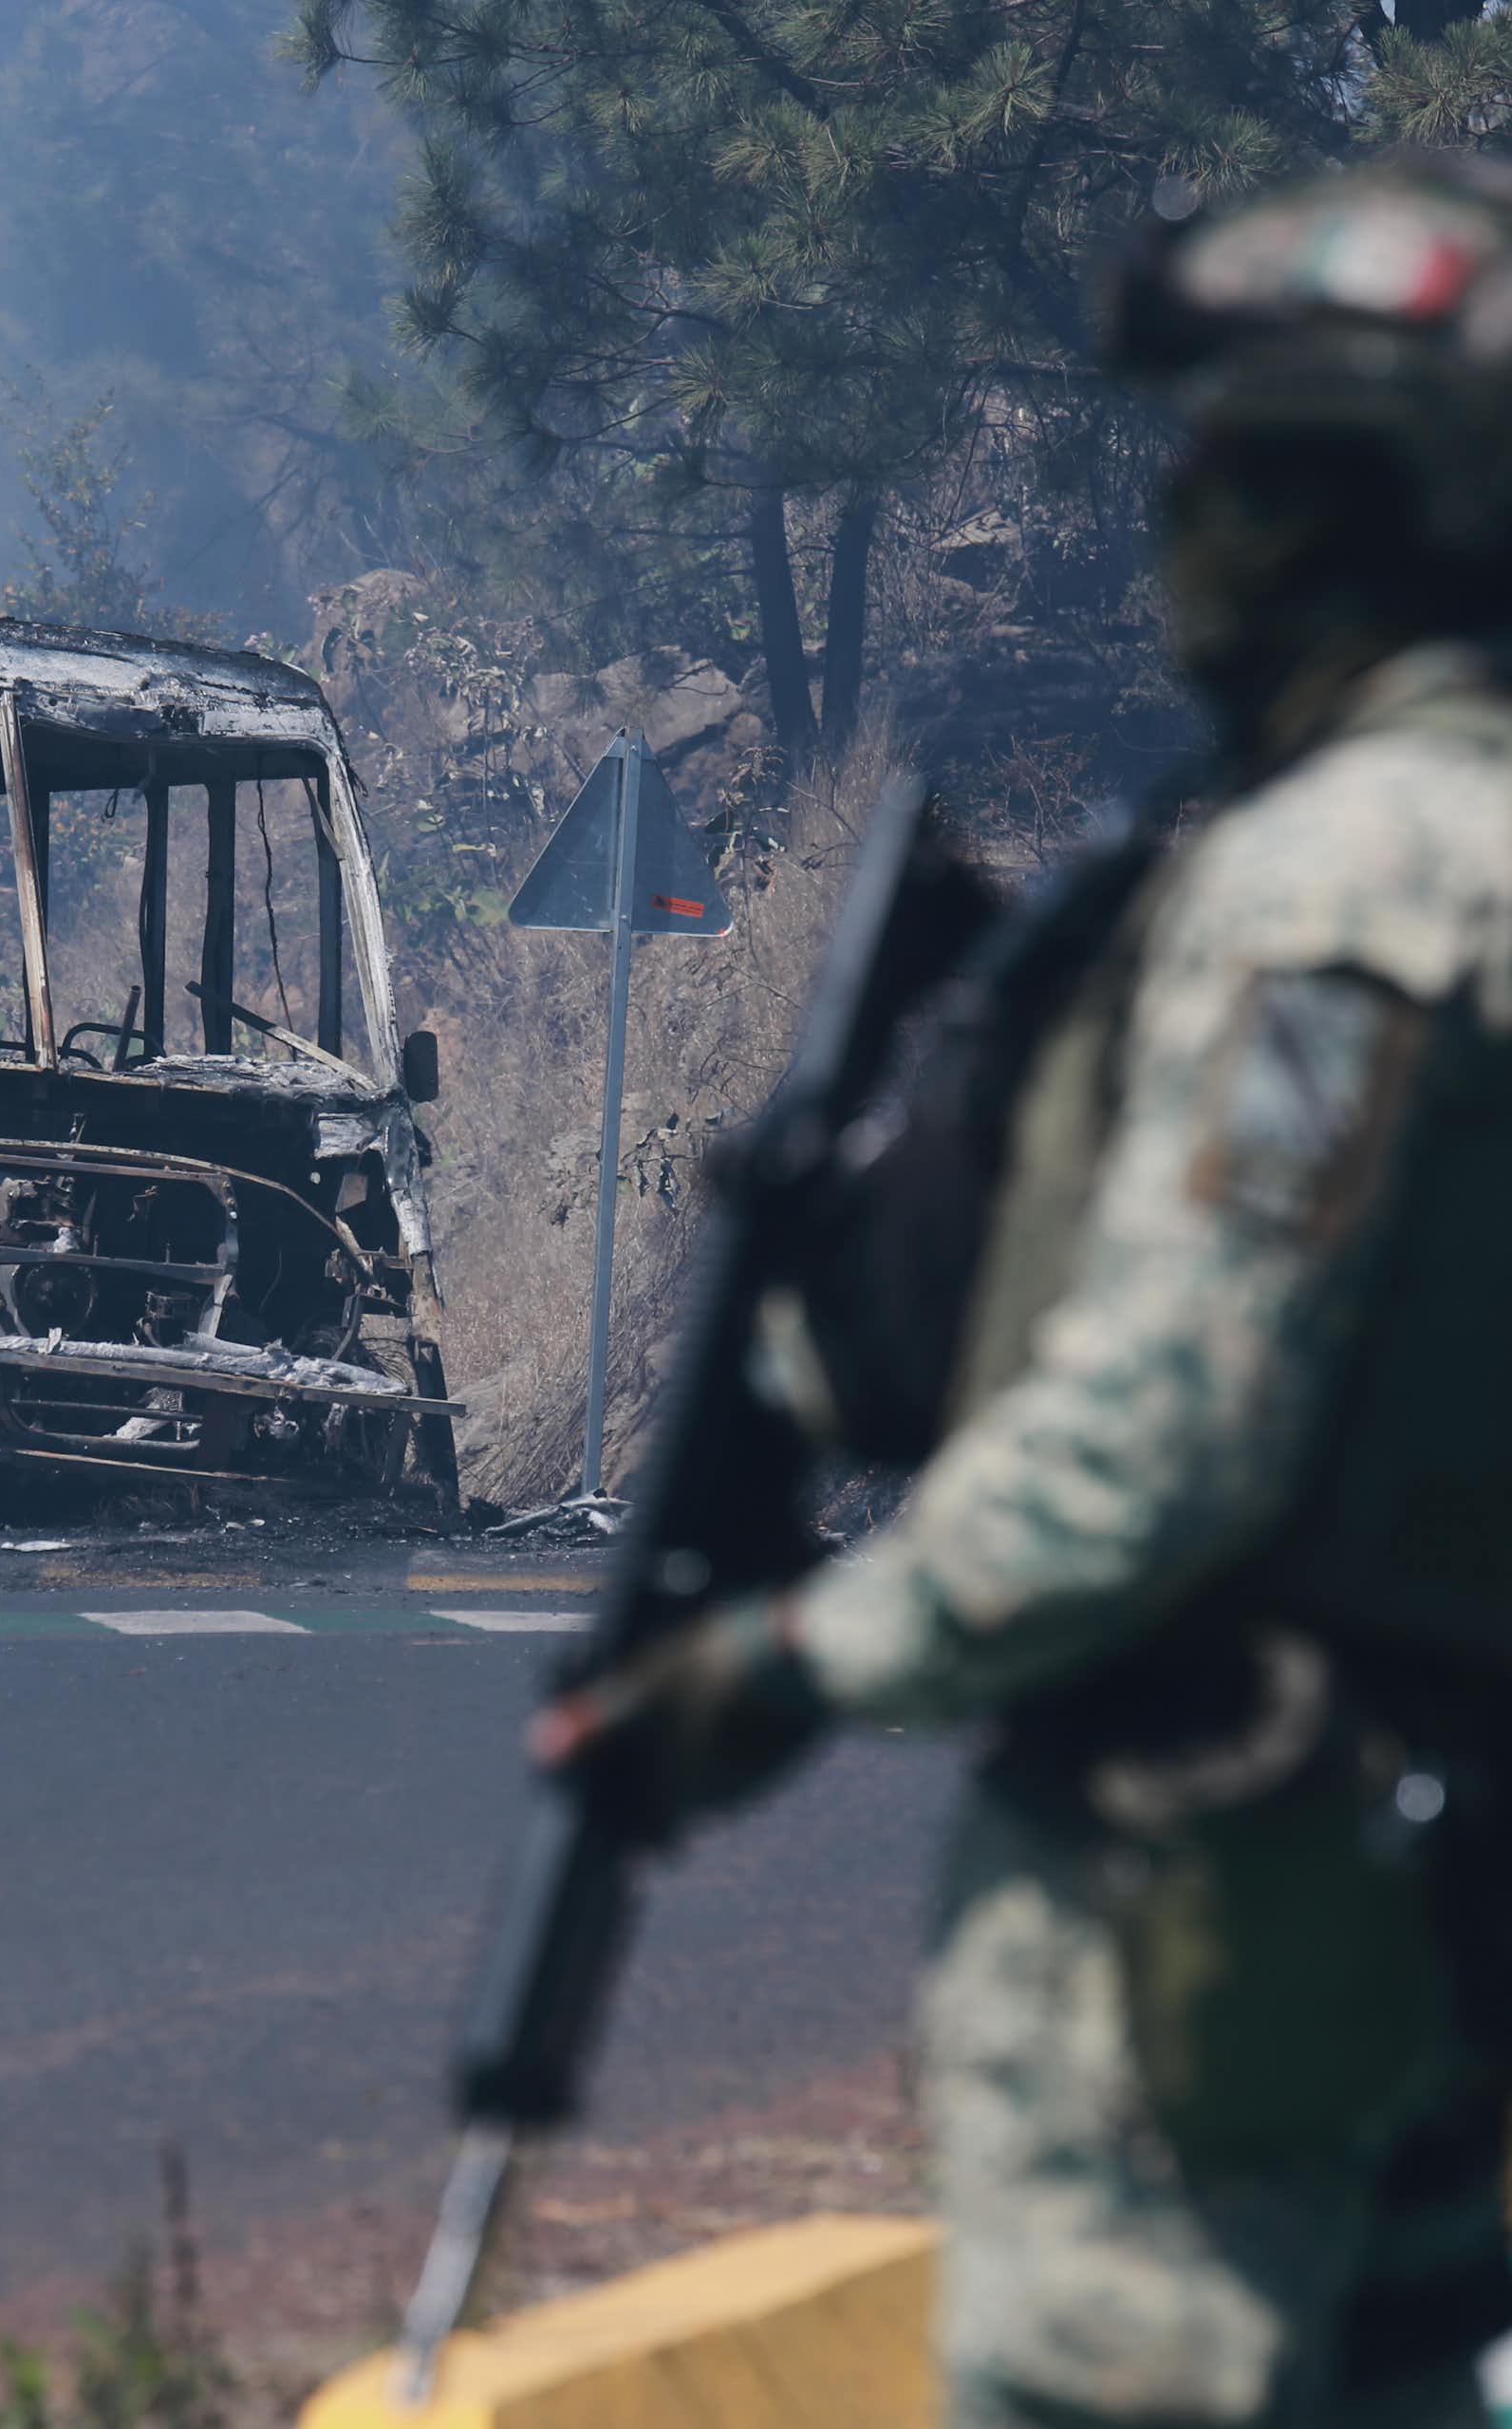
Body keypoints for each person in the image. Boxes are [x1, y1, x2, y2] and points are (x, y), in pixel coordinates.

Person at [535, 151, 1512, 2427]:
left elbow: (1177, 1418)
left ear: (1349, 513)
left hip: (1227, 1895)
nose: (1185, 531)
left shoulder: (1342, 883)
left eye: (1235, 473)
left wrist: (790, 1659)